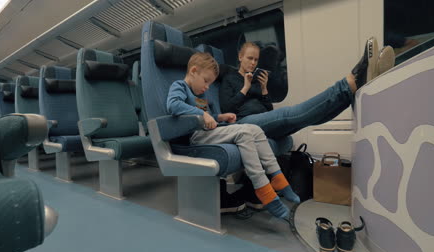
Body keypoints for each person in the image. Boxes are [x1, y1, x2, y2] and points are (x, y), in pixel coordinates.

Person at [167, 52, 300, 219]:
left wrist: (220, 117)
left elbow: (208, 119)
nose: (207, 87)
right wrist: (202, 115)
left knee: (255, 129)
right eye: (206, 81)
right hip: (195, 136)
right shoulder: (179, 86)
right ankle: (263, 189)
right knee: (244, 133)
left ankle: (278, 177)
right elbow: (173, 105)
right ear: (193, 71)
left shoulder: (201, 96)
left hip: (208, 131)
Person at [219, 37, 396, 140]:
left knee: (306, 119)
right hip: (243, 122)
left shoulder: (257, 81)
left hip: (261, 120)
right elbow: (227, 108)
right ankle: (351, 82)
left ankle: (351, 91)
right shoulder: (230, 78)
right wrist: (245, 87)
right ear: (240, 57)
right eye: (249, 58)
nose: (253, 63)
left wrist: (264, 89)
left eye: (256, 60)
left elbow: (268, 111)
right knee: (288, 114)